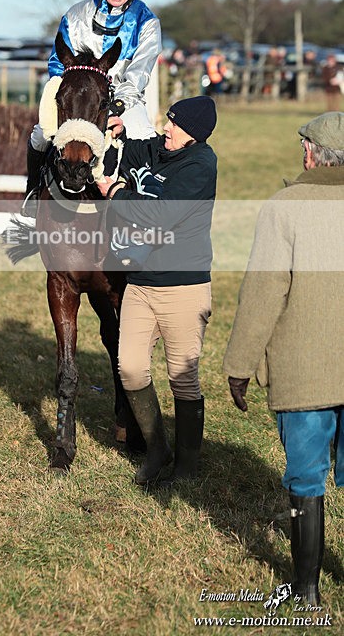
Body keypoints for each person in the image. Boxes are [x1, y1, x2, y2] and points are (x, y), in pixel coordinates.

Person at [223, 112, 344, 605]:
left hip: (304, 368)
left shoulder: (283, 207)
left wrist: (238, 364)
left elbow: (263, 293)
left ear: (312, 154)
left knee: (306, 476)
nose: (302, 152)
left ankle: (308, 590)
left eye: (304, 146)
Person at [97, 95, 217, 486]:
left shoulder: (201, 165)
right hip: (141, 285)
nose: (167, 128)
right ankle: (156, 449)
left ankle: (186, 467)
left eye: (174, 124)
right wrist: (118, 131)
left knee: (183, 379)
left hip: (183, 287)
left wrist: (115, 194)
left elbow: (159, 211)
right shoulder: (160, 148)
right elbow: (135, 148)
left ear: (193, 135)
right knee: (130, 369)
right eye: (168, 121)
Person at [23, 0, 162, 214]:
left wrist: (117, 106)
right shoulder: (75, 16)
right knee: (40, 135)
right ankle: (31, 198)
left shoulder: (147, 23)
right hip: (75, 97)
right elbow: (57, 63)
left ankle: (146, 215)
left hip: (123, 99)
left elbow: (138, 74)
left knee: (145, 136)